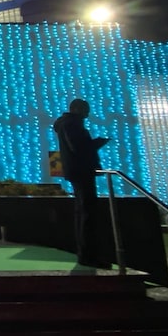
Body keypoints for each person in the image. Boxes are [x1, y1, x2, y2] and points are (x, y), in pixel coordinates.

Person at [53, 98, 110, 268]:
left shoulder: (65, 124)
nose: (88, 114)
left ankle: (86, 253)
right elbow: (78, 147)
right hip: (81, 171)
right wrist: (95, 144)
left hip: (76, 170)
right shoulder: (71, 124)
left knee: (83, 211)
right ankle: (87, 254)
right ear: (77, 109)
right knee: (87, 213)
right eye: (86, 109)